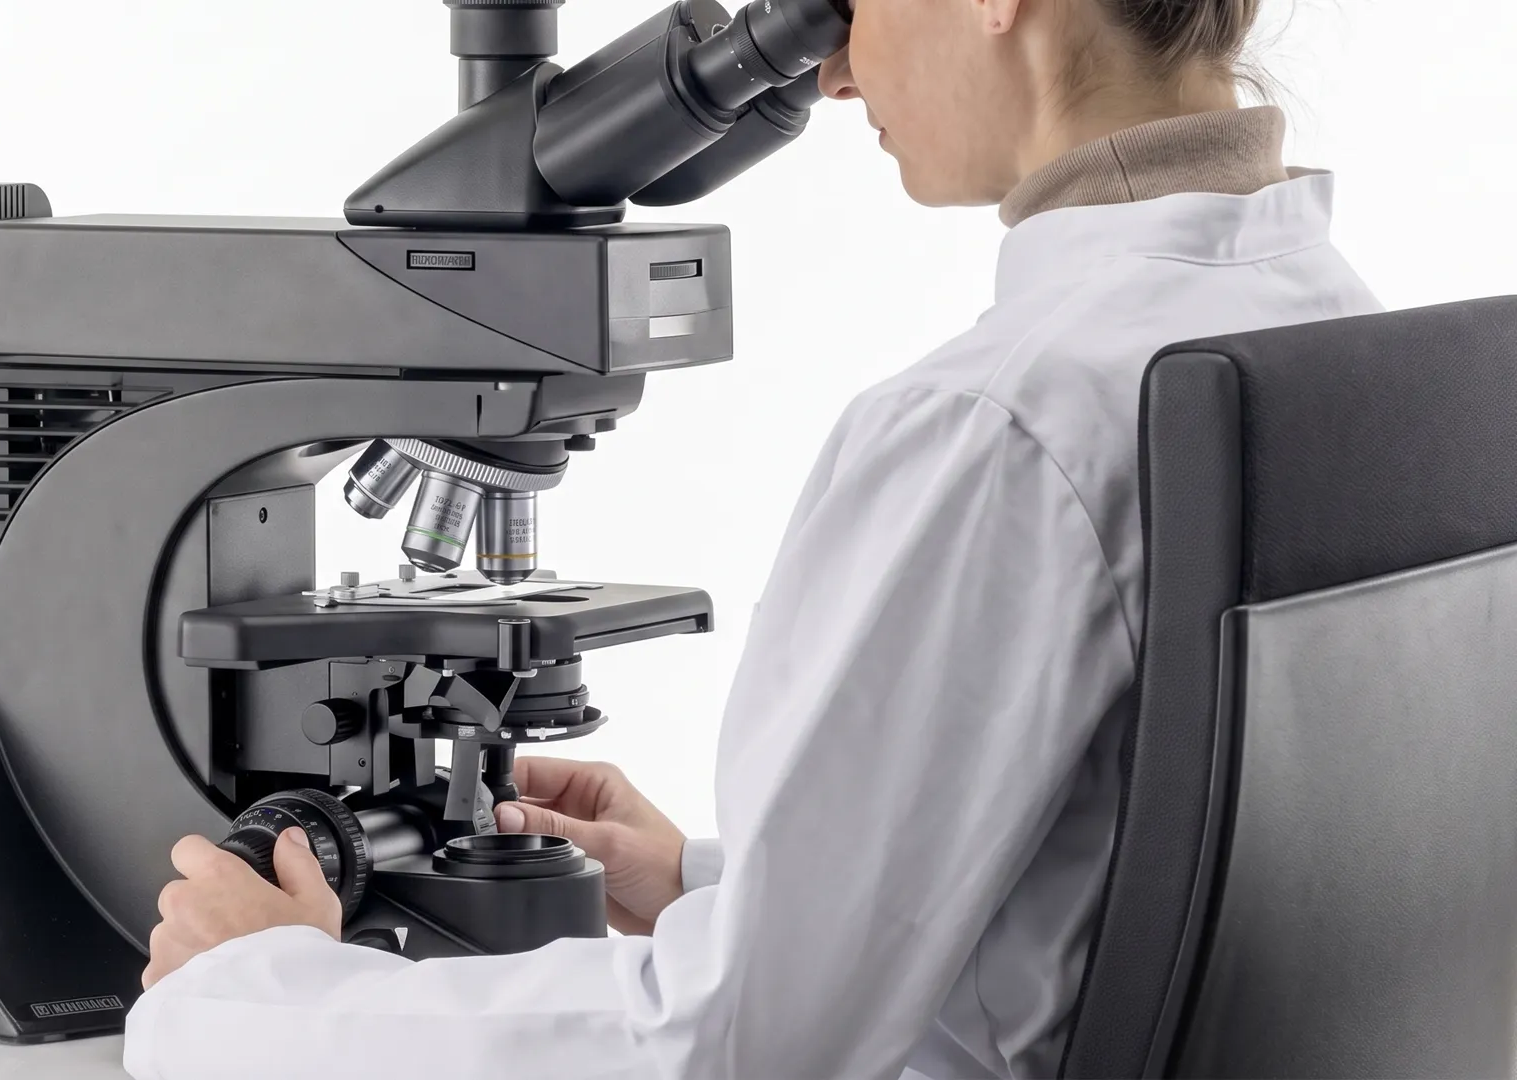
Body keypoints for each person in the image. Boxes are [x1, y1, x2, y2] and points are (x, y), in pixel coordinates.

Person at [125, 0, 1381, 1076]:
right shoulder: (1328, 319)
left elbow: (742, 1050)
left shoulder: (996, 425)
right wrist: (723, 888)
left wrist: (263, 996)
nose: (832, 74)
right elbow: (1146, 897)